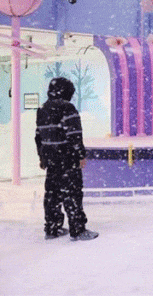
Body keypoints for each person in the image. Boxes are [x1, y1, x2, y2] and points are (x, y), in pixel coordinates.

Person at [35, 77, 98, 241]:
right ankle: (78, 229)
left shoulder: (42, 109)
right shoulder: (67, 108)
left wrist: (42, 157)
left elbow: (38, 137)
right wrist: (80, 155)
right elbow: (74, 135)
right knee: (72, 193)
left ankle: (52, 228)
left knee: (52, 194)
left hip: (51, 159)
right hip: (67, 158)